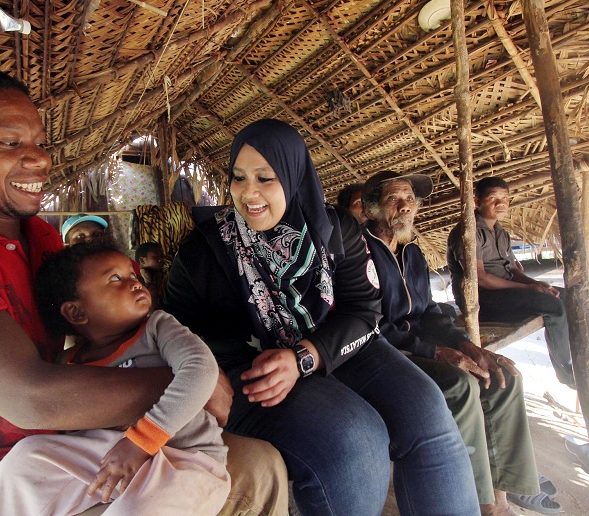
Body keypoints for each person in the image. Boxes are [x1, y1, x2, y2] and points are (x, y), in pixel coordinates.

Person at [0, 61, 287, 515]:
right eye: (10, 142)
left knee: (259, 463)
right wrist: (190, 383)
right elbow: (31, 400)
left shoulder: (43, 242)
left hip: (78, 446)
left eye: (39, 142)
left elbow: (95, 338)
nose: (39, 160)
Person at [161, 119, 479, 516]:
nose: (248, 193)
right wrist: (208, 376)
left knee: (428, 410)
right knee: (356, 441)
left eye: (265, 178)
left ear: (294, 175)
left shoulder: (334, 230)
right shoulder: (204, 251)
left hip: (333, 344)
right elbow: (171, 330)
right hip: (250, 372)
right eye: (238, 177)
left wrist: (305, 357)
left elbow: (365, 310)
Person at [361, 171, 556, 516]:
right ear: (373, 208)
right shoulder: (360, 254)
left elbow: (431, 312)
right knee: (460, 386)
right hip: (384, 352)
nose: (405, 206)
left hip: (421, 344)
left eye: (409, 199)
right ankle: (477, 501)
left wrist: (467, 345)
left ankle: (501, 497)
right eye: (394, 199)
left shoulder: (412, 254)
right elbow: (369, 325)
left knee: (502, 378)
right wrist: (435, 351)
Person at [0, 240, 228, 514]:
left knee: (138, 509)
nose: (135, 283)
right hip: (115, 458)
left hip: (187, 460)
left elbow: (201, 370)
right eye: (115, 278)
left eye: (133, 274)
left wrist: (141, 441)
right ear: (76, 312)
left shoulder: (158, 328)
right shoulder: (68, 364)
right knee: (25, 459)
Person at [446, 176, 589, 407]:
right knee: (552, 307)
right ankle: (572, 379)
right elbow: (480, 278)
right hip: (483, 300)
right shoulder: (468, 232)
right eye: (493, 198)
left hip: (508, 293)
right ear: (477, 200)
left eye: (504, 198)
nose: (500, 204)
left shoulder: (500, 232)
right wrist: (528, 288)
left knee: (574, 299)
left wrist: (539, 285)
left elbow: (512, 269)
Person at [135, 241, 167, 306]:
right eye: (155, 256)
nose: (160, 259)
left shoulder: (161, 274)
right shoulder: (138, 280)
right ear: (142, 260)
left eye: (162, 256)